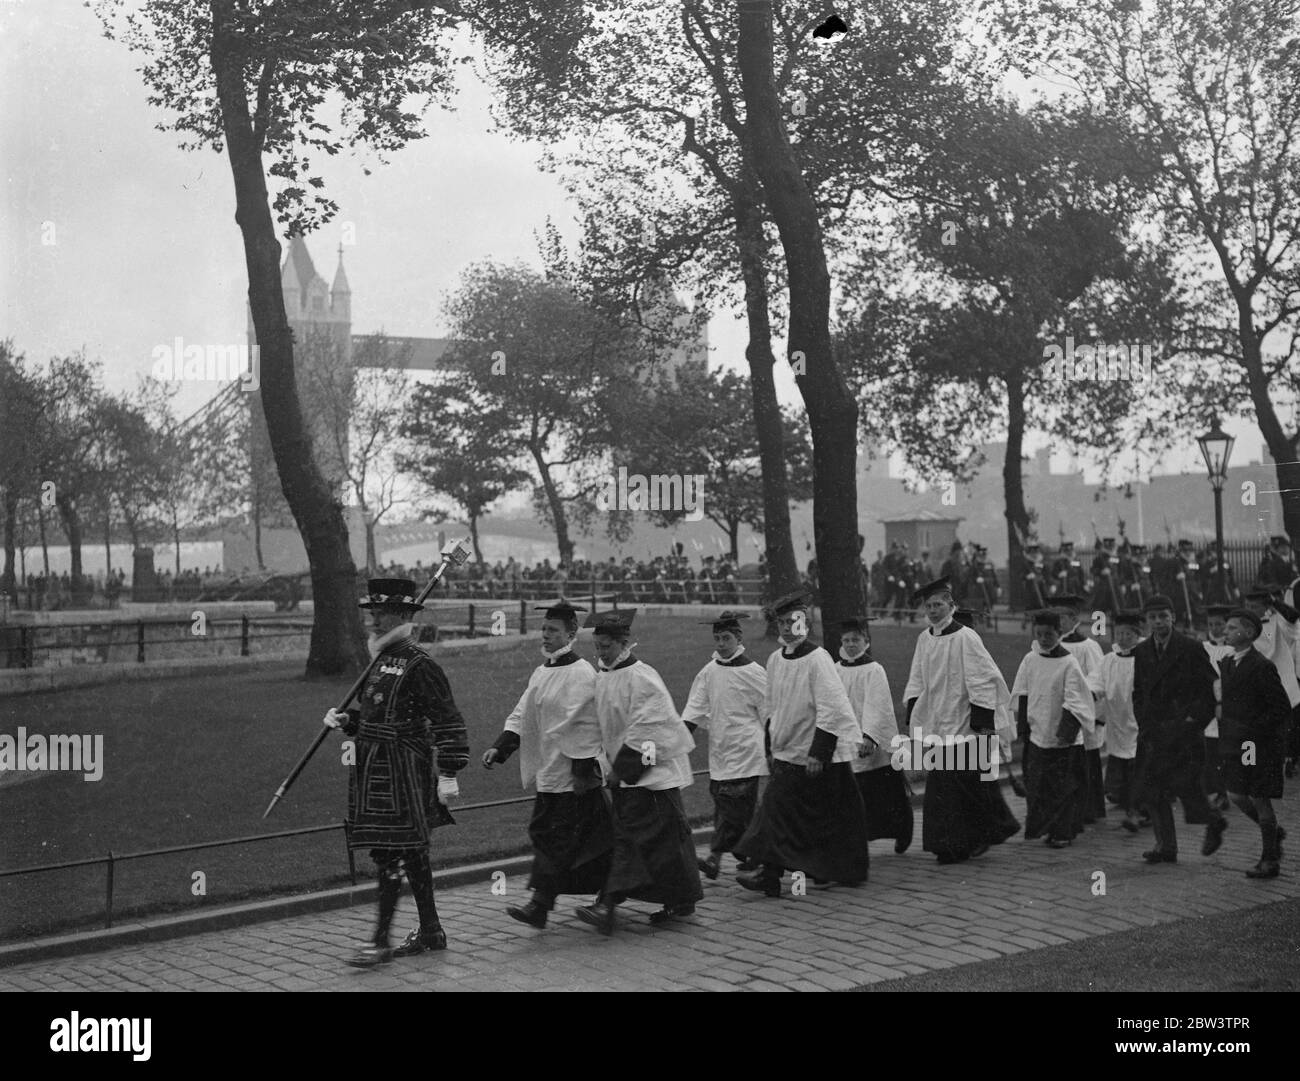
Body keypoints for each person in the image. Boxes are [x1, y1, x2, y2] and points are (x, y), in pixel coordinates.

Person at [323, 578, 470, 967]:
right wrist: (349, 722)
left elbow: (448, 721)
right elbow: (379, 715)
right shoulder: (378, 660)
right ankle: (431, 930)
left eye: (381, 612)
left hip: (405, 771)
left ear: (403, 615)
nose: (373, 619)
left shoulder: (421, 665)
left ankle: (380, 940)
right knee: (411, 851)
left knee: (390, 851)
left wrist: (450, 771)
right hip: (376, 769)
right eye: (372, 612)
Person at [482, 601, 613, 929]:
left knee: (572, 842)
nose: (546, 635)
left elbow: (587, 724)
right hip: (550, 773)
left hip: (576, 779)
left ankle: (547, 904)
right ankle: (578, 901)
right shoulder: (542, 672)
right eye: (544, 629)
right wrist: (501, 748)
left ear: (571, 633)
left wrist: (582, 771)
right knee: (554, 838)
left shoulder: (582, 674)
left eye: (553, 630)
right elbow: (523, 713)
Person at [735, 590, 870, 895]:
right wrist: (770, 746)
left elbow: (832, 706)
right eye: (781, 622)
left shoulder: (818, 658)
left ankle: (834, 868)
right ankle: (770, 875)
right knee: (777, 809)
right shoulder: (775, 660)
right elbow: (771, 707)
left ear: (805, 622)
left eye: (793, 621)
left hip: (816, 753)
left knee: (831, 814)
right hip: (788, 751)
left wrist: (818, 752)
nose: (786, 628)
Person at [575, 610, 702, 933]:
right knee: (653, 845)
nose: (600, 653)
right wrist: (603, 765)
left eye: (606, 646)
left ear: (624, 643)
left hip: (653, 777)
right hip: (626, 775)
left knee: (643, 842)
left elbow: (652, 730)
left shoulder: (642, 678)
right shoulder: (603, 676)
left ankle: (608, 905)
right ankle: (680, 899)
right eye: (597, 647)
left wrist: (624, 769)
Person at [903, 577, 1019, 864]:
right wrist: (915, 711)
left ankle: (962, 841)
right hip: (938, 719)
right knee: (946, 784)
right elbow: (917, 678)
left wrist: (981, 719)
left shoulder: (966, 636)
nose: (933, 610)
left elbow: (982, 677)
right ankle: (951, 841)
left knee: (964, 782)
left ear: (951, 605)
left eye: (938, 604)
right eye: (928, 605)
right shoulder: (924, 639)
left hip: (965, 719)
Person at [1130, 594, 1223, 864]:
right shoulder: (1143, 650)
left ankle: (1215, 821)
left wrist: (1194, 720)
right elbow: (1139, 690)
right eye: (1152, 618)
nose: (1158, 622)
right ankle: (1165, 845)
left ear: (1173, 617)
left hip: (1184, 732)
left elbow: (1210, 688)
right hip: (1154, 730)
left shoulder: (1190, 648)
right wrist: (1143, 719)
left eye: (1163, 616)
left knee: (1187, 787)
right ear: (1146, 621)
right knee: (1153, 788)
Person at [680, 611, 768, 881]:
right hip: (720, 749)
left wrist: (774, 745)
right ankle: (755, 855)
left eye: (726, 638)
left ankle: (714, 856)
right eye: (717, 638)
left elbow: (769, 711)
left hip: (747, 749)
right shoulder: (709, 672)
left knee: (733, 805)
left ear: (738, 638)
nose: (721, 644)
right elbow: (694, 708)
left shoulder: (753, 672)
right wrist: (678, 739)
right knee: (726, 803)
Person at [1012, 611, 1096, 848]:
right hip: (1038, 733)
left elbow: (1076, 699)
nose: (1043, 639)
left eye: (1049, 634)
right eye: (1039, 634)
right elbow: (1024, 692)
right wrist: (1024, 729)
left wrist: (1065, 732)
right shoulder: (1030, 659)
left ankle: (1063, 831)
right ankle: (1046, 827)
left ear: (1059, 634)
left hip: (1062, 738)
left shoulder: (1068, 663)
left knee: (1063, 787)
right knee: (1040, 785)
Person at [1217, 609, 1290, 878]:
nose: (1225, 631)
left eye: (1231, 627)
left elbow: (1280, 707)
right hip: (1238, 743)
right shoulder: (1227, 663)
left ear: (1248, 633)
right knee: (1237, 794)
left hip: (1257, 744)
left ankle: (1269, 860)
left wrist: (1254, 731)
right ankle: (1273, 832)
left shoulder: (1261, 666)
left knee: (1259, 797)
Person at [835, 616, 913, 853]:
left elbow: (877, 704)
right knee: (854, 791)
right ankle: (858, 836)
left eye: (855, 640)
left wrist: (869, 735)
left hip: (871, 737)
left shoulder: (873, 670)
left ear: (866, 641)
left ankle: (902, 828)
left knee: (885, 789)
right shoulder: (836, 670)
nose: (850, 645)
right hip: (847, 738)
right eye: (846, 640)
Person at [1051, 594, 1107, 825]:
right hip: (1057, 710)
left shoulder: (1087, 647)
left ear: (1074, 619)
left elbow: (1098, 680)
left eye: (1061, 618)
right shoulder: (1051, 645)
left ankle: (1088, 808)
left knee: (1084, 761)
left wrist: (1093, 715)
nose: (1057, 623)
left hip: (1082, 713)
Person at [1099, 610, 1143, 831]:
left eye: (1128, 634)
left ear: (1137, 635)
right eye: (1119, 633)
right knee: (1123, 766)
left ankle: (1136, 811)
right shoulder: (1108, 660)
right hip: (1117, 721)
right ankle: (1130, 806)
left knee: (1138, 766)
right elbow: (1096, 684)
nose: (1123, 638)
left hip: (1140, 721)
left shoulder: (1145, 657)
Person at [1202, 605, 1234, 811]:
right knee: (1210, 751)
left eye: (1220, 624)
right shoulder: (1202, 647)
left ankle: (1226, 791)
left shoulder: (1232, 650)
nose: (1215, 628)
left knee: (1226, 751)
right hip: (1207, 705)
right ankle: (1216, 791)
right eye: (1211, 624)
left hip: (1227, 706)